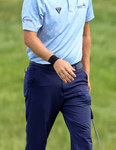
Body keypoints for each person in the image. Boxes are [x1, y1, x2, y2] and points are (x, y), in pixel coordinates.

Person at [22, 0, 94, 149]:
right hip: (42, 78)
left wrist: (85, 74)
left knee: (83, 144)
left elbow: (85, 34)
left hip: (75, 77)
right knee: (36, 143)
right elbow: (29, 37)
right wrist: (54, 60)